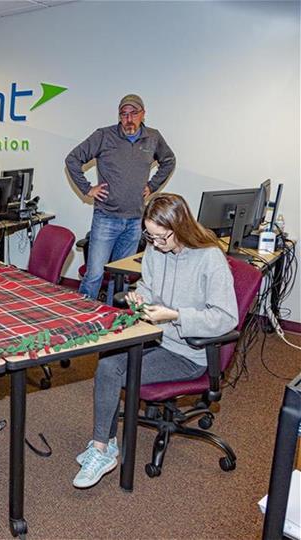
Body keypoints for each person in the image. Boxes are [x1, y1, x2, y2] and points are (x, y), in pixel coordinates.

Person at [73, 193, 238, 489]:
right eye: (150, 236)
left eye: (162, 237)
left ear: (181, 228)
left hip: (189, 351)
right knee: (108, 362)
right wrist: (141, 296)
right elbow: (149, 286)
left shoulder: (209, 258)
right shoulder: (155, 248)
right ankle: (104, 446)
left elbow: (226, 318)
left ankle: (101, 448)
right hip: (156, 337)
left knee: (117, 371)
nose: (156, 243)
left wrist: (174, 315)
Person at [66, 94, 176, 301]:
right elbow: (73, 159)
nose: (128, 119)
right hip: (106, 217)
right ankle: (82, 317)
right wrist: (87, 189)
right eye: (123, 114)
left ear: (143, 114)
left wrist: (152, 186)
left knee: (122, 277)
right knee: (95, 275)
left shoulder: (153, 138)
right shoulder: (104, 136)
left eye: (134, 113)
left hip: (135, 218)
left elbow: (169, 161)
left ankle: (113, 318)